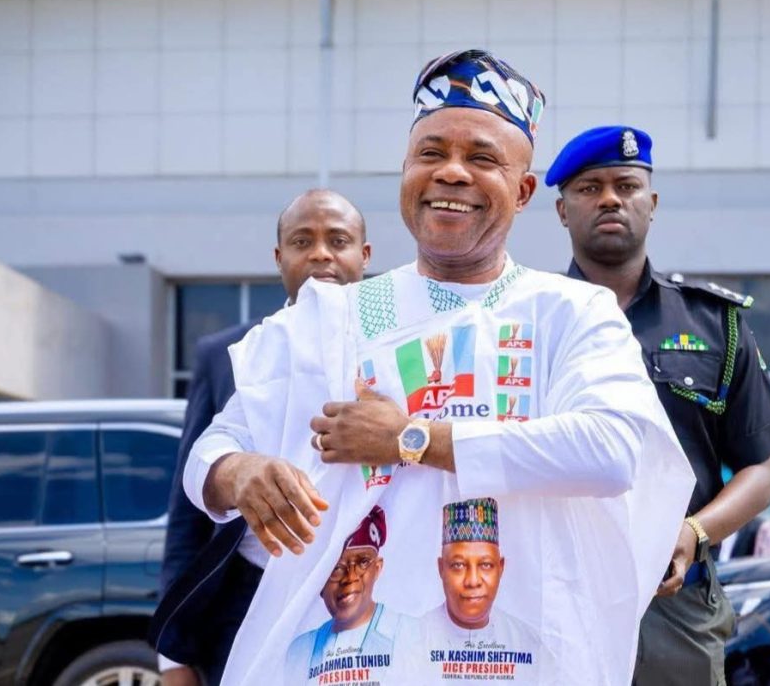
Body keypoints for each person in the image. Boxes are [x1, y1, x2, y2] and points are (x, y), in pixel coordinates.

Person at [182, 49, 695, 685]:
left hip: (525, 659)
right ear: (406, 173)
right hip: (352, 662)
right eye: (431, 153)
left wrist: (411, 439)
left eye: (481, 158)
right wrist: (239, 473)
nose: (451, 173)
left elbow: (611, 450)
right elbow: (211, 454)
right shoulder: (332, 319)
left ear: (524, 191)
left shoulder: (570, 312)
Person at [546, 125, 770, 685]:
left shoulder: (715, 323)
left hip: (675, 600)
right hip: (557, 595)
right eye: (589, 188)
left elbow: (760, 472)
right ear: (562, 210)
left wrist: (693, 533)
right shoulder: (530, 321)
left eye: (626, 186)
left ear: (651, 203)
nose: (610, 199)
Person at [152, 189, 371, 686]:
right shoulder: (231, 353)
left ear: (364, 255)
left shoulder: (399, 345)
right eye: (302, 241)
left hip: (361, 593)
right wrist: (172, 657)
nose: (321, 254)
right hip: (248, 594)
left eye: (338, 241)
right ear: (279, 257)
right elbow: (187, 509)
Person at [398, 498, 539, 683]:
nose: (473, 581)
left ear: (500, 568)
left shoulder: (526, 644)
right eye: (458, 565)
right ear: (441, 568)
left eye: (486, 565)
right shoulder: (413, 643)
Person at [285, 506, 399, 685]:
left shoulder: (409, 637)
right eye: (336, 568)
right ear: (317, 582)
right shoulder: (299, 651)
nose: (350, 577)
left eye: (362, 563)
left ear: (377, 569)